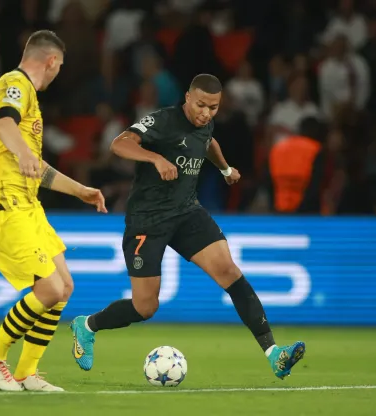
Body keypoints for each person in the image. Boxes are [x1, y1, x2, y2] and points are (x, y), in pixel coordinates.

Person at [69, 74, 305, 380]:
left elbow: (208, 143)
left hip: (186, 213)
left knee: (229, 272)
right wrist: (155, 158)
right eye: (201, 105)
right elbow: (119, 144)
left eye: (214, 107)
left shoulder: (205, 123)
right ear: (187, 98)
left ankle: (274, 353)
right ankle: (86, 326)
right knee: (145, 306)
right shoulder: (163, 121)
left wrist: (224, 169)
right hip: (148, 219)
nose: (206, 113)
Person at [0, 30, 107, 392]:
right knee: (48, 287)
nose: (58, 72)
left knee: (63, 287)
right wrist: (23, 152)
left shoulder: (30, 99)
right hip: (1, 202)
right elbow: (3, 123)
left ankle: (27, 372)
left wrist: (80, 190)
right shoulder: (14, 83)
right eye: (59, 66)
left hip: (27, 205)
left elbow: (37, 168)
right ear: (52, 61)